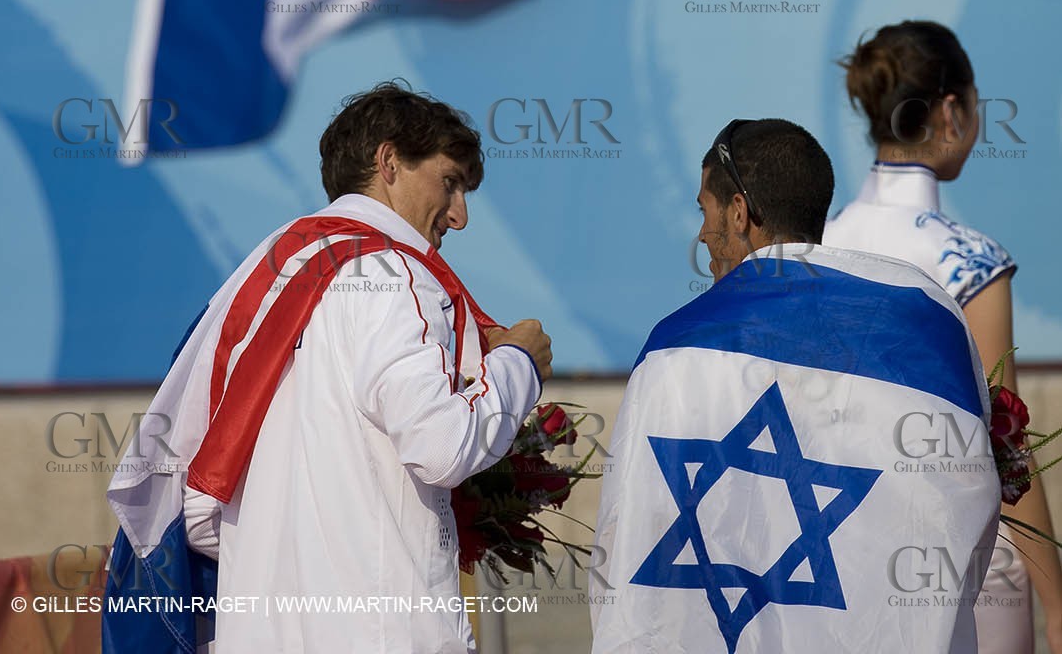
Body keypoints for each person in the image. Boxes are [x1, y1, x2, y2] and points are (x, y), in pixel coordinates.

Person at [106, 80, 552, 654]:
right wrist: (519, 364)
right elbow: (442, 446)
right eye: (450, 183)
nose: (460, 216)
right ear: (389, 161)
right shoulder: (391, 275)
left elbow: (193, 502)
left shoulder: (259, 277)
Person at [591, 117, 1000, 654]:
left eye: (704, 210)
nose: (700, 233)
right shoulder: (926, 320)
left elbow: (630, 535)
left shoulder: (677, 346)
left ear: (739, 213)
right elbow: (965, 507)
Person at [824, 21, 1062, 654]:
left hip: (829, 553)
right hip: (958, 568)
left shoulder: (820, 248)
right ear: (952, 111)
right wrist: (1058, 604)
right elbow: (1006, 446)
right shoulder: (971, 261)